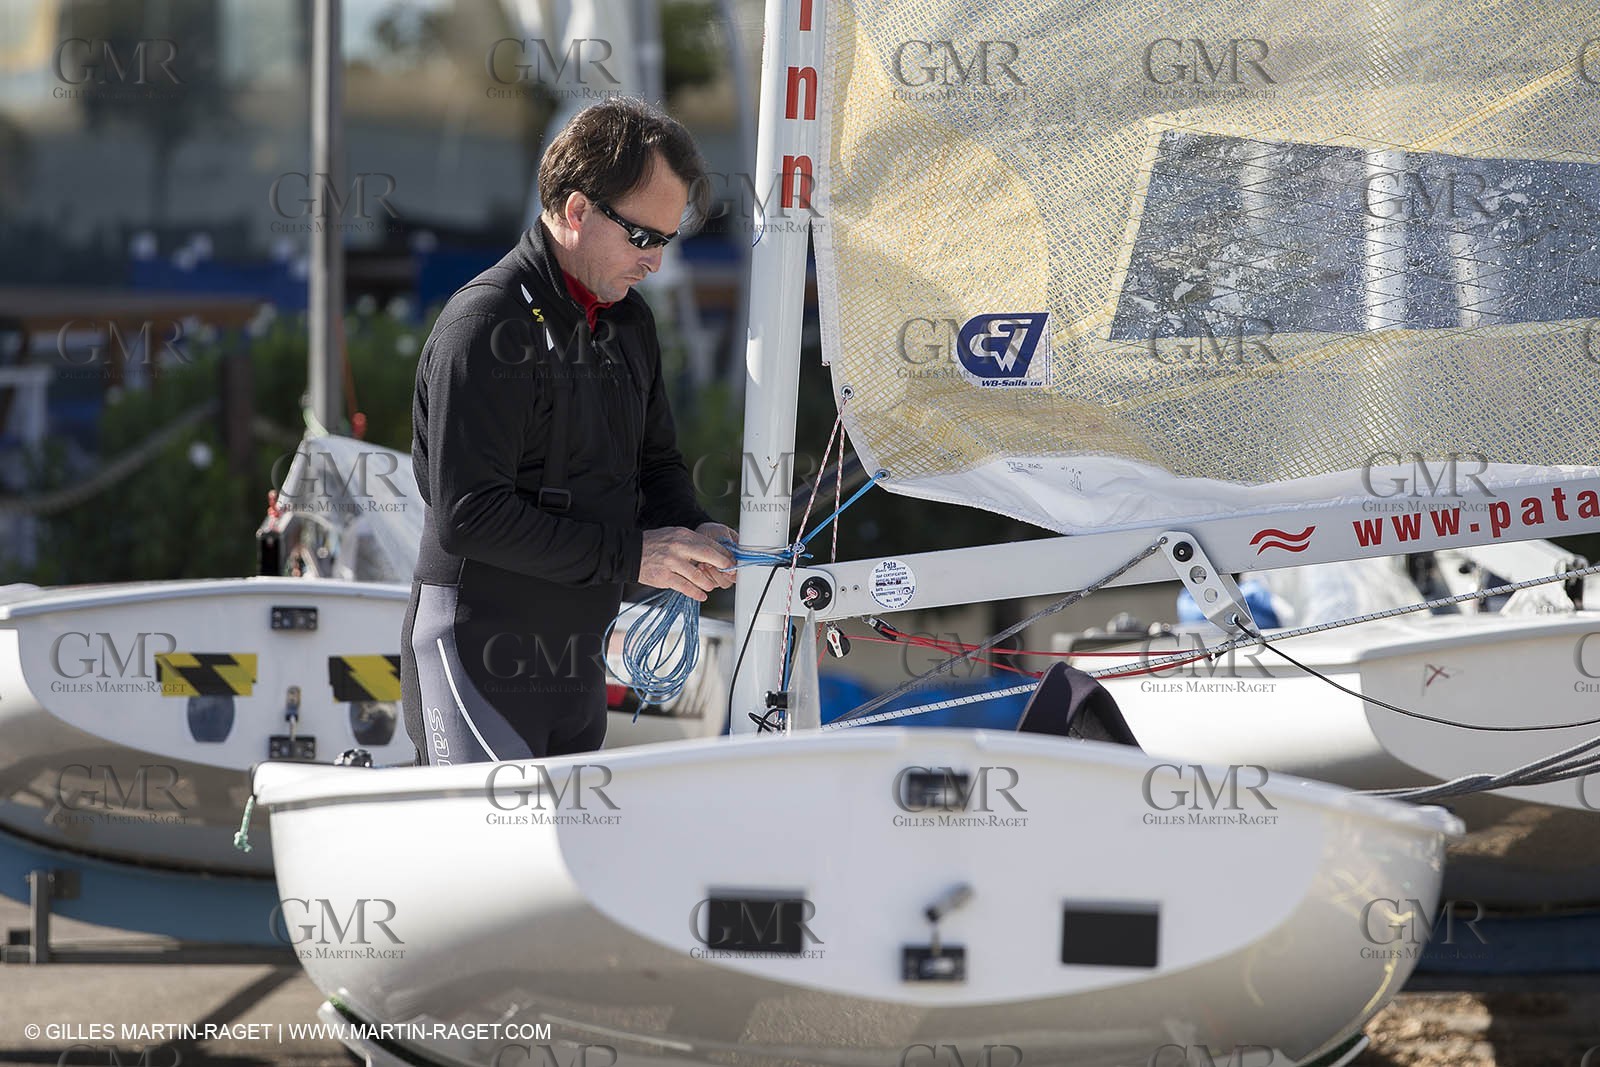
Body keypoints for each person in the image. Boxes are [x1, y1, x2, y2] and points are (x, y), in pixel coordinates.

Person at [400, 97, 736, 765]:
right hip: (476, 650)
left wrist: (697, 534)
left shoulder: (629, 323)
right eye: (643, 237)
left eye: (668, 241)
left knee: (573, 864)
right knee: (492, 860)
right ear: (576, 211)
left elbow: (657, 468)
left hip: (576, 653)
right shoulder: (485, 326)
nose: (656, 263)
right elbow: (470, 516)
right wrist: (635, 555)